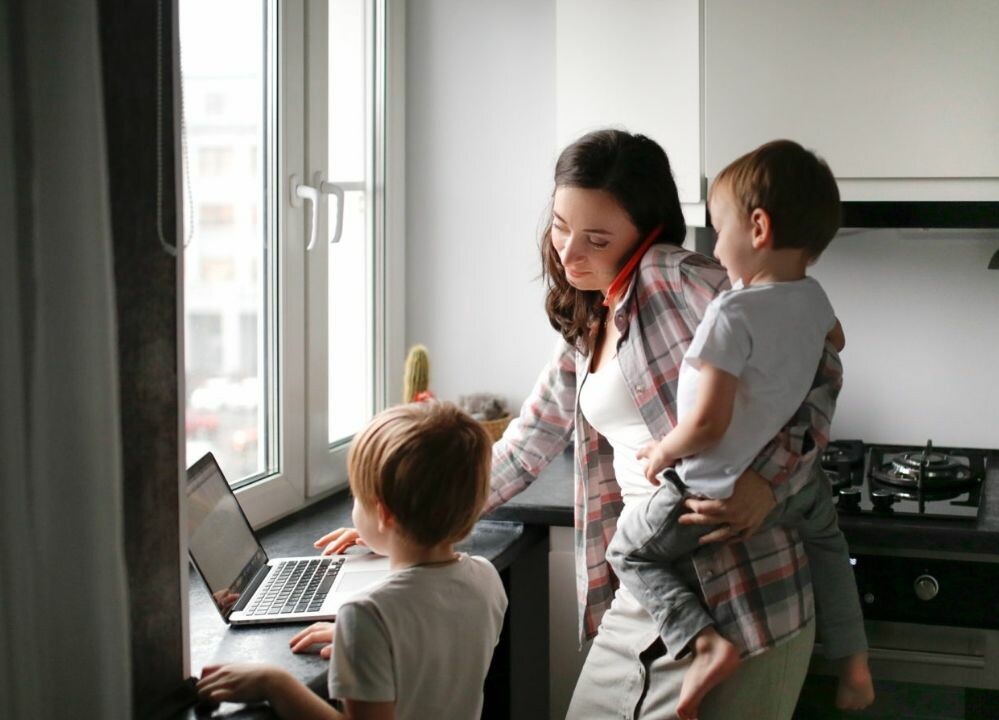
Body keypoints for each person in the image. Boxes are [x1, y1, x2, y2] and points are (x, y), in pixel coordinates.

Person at [318, 129, 847, 719]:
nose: (570, 254)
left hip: (744, 597)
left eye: (597, 239)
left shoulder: (680, 278)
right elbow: (525, 446)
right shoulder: (591, 322)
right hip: (648, 589)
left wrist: (770, 483)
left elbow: (819, 360)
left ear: (647, 235)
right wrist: (403, 515)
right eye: (561, 227)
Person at [611, 139, 873, 718]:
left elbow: (706, 425)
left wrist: (662, 451)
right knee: (830, 545)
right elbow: (837, 345)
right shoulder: (815, 298)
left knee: (628, 551)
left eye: (717, 227)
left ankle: (705, 644)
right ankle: (854, 663)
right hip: (795, 489)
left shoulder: (730, 312)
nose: (713, 245)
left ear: (757, 228)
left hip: (711, 489)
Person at [197, 402, 508, 720]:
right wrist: (368, 646)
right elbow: (436, 644)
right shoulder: (486, 579)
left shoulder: (366, 614)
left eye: (356, 495)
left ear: (385, 515)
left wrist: (274, 683)